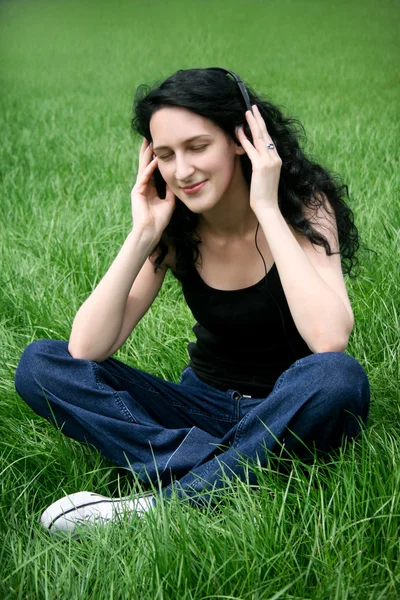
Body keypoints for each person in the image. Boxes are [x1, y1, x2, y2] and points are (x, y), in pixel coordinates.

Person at [14, 67, 370, 533]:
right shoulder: (177, 229)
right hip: (200, 405)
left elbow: (329, 338)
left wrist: (265, 205)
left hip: (286, 406)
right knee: (42, 364)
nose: (181, 171)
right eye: (165, 154)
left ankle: (160, 503)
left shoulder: (304, 206)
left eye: (197, 147)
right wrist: (143, 233)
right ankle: (223, 471)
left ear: (242, 140)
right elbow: (85, 350)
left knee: (339, 378)